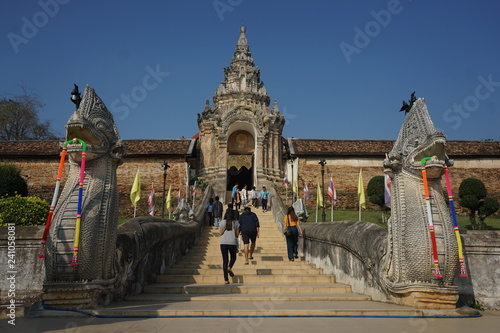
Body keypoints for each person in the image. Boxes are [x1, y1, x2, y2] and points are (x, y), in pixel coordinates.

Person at [219, 211, 240, 284]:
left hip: (223, 243)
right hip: (232, 242)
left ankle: (226, 280)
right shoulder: (236, 223)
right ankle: (229, 267)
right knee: (233, 257)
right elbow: (237, 235)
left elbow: (220, 233)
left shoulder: (222, 222)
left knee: (225, 261)